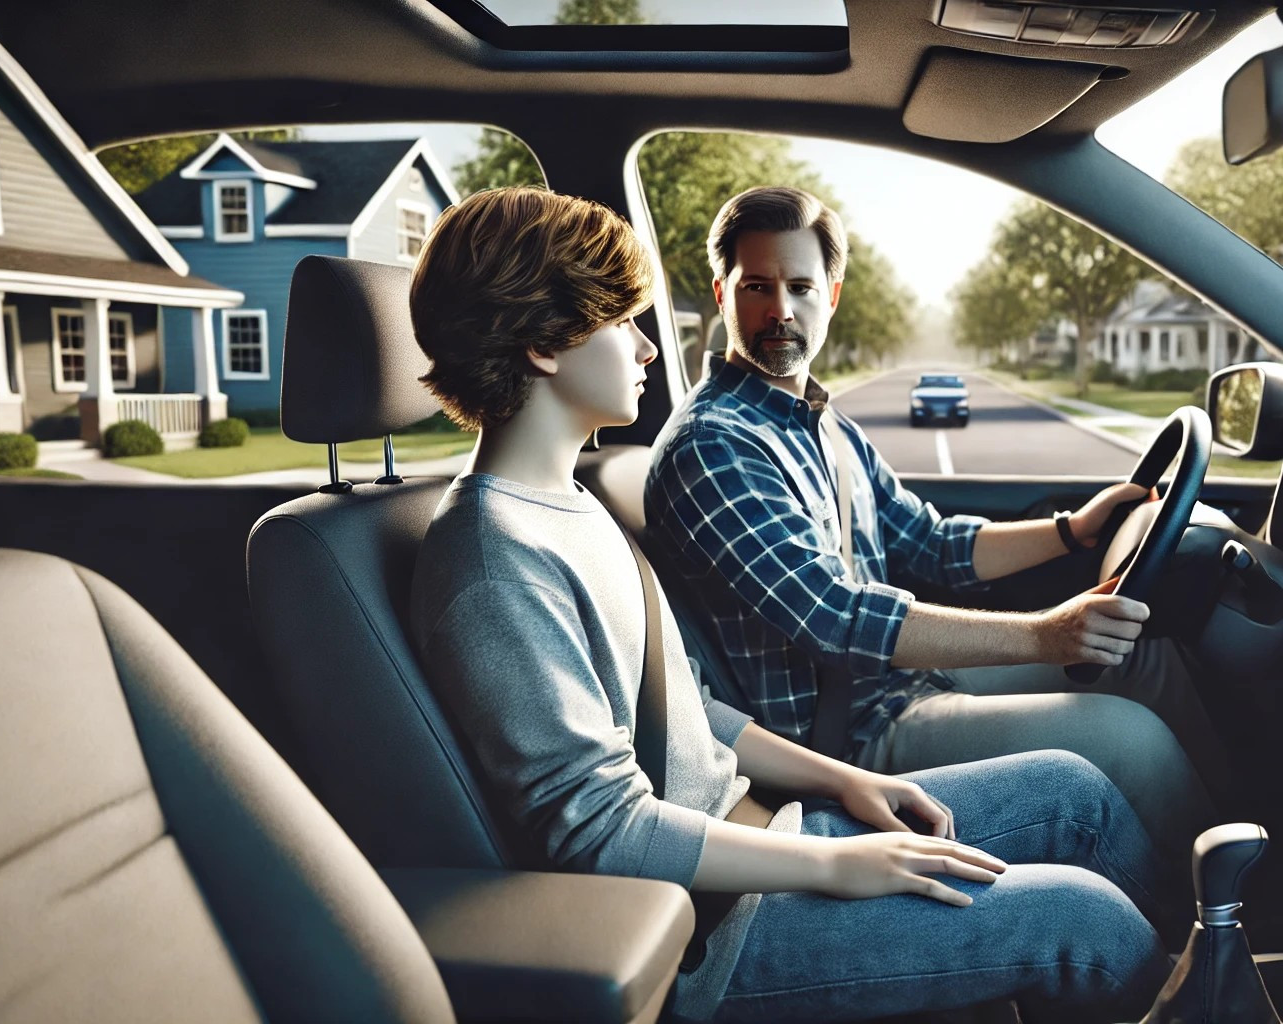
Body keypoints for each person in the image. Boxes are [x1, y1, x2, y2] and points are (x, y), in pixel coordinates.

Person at [406, 185, 1173, 1022]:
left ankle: (1219, 965)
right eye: (622, 320)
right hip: (706, 927)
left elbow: (691, 714)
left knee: (1074, 793)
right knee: (1084, 920)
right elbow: (599, 831)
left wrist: (847, 788)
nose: (647, 348)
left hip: (760, 833)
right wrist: (835, 865)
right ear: (546, 344)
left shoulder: (567, 509)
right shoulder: (494, 563)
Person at [644, 186, 1221, 872]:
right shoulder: (713, 447)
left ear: (831, 295)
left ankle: (1255, 856)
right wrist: (1047, 632)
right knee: (1133, 737)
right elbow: (834, 617)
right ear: (721, 293)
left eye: (800, 286)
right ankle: (1219, 916)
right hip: (847, 736)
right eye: (758, 287)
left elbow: (933, 544)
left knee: (1148, 665)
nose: (780, 310)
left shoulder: (823, 423)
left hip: (902, 684)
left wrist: (1072, 532)